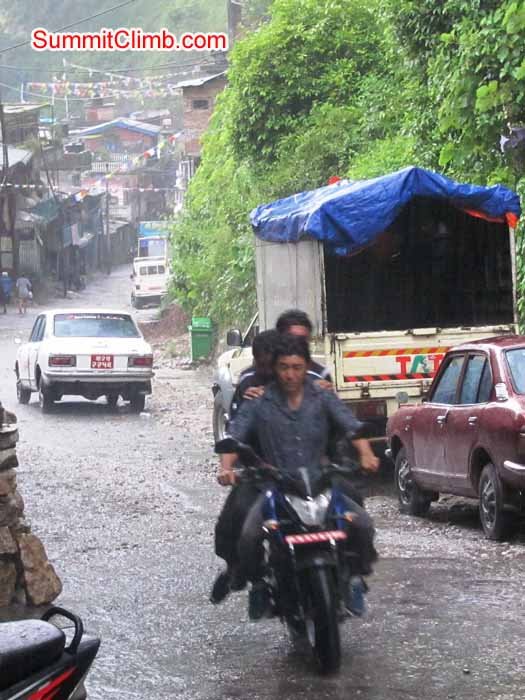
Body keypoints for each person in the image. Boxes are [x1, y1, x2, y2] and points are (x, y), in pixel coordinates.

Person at [219, 335, 379, 619]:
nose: (290, 374)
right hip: (276, 487)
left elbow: (351, 426)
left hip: (320, 485)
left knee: (363, 525)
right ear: (274, 368)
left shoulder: (323, 395)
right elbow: (235, 436)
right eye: (284, 367)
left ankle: (355, 577)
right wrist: (226, 467)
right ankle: (258, 585)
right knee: (249, 536)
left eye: (296, 366)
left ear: (307, 367)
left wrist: (366, 454)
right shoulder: (259, 401)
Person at [211, 330, 281, 604]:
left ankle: (349, 577)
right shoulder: (250, 389)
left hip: (304, 473)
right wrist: (227, 467)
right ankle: (241, 569)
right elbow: (235, 433)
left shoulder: (313, 385)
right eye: (264, 364)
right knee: (232, 527)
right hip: (261, 471)